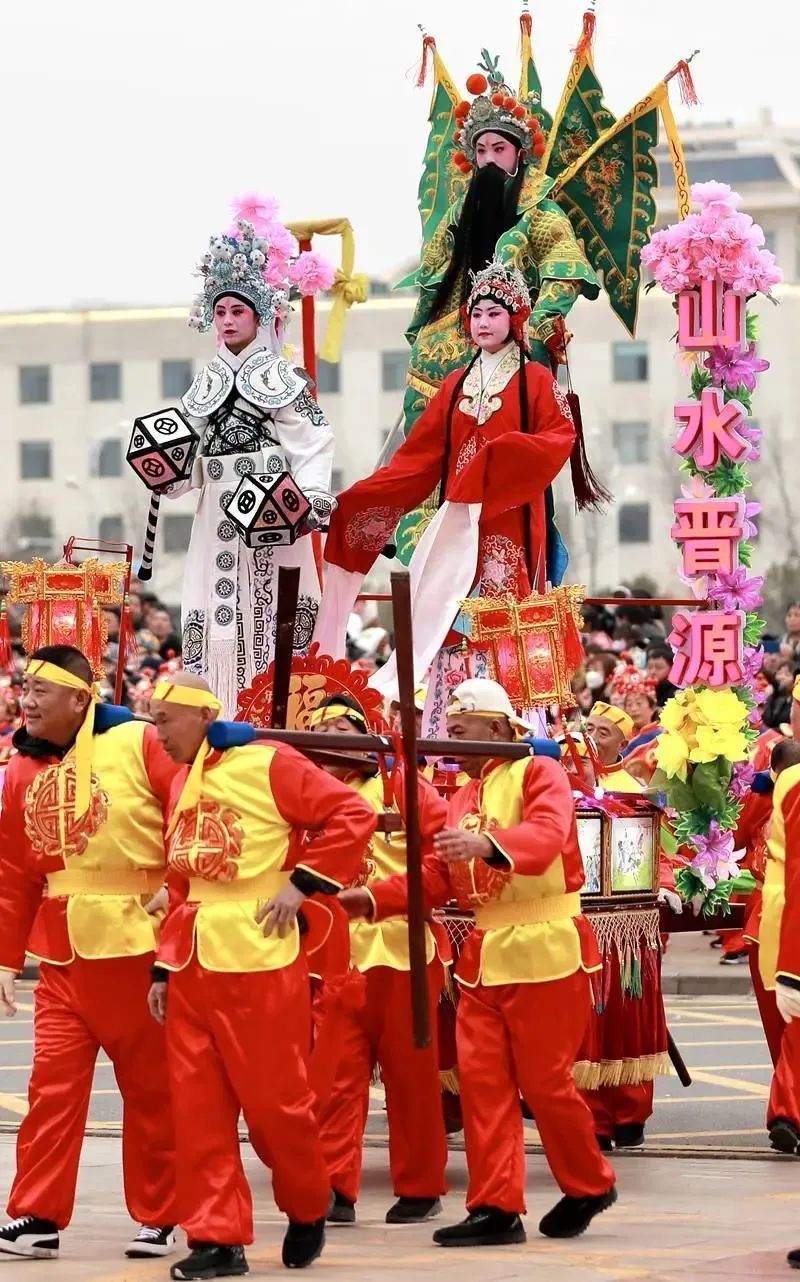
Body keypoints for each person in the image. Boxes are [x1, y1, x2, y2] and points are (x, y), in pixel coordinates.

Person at [340, 677, 617, 1246]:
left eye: (461, 726)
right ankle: (495, 1206)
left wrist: (489, 845)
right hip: (485, 955)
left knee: (544, 1083)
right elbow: (438, 877)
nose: (450, 736)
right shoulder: (464, 796)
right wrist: (370, 899)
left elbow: (547, 835)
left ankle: (589, 1182)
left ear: (496, 727)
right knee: (482, 1084)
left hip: (545, 944)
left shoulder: (540, 772)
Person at [148, 674, 376, 1279]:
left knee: (278, 1105)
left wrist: (302, 883)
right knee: (197, 1109)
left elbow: (351, 813)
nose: (157, 732)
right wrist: (163, 969)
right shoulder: (178, 780)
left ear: (201, 716)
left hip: (259, 956)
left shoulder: (269, 762)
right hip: (194, 960)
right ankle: (216, 1239)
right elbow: (182, 881)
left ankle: (307, 1204)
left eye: (165, 720)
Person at [315, 259, 578, 729]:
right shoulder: (456, 383)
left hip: (507, 521)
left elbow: (559, 437)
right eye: (476, 314)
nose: (483, 322)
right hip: (458, 518)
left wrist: (505, 456)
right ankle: (445, 730)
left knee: (500, 620)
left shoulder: (535, 379)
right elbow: (419, 455)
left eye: (495, 313)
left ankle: (516, 729)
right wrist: (364, 499)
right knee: (445, 618)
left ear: (515, 318)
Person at [0, 646, 178, 1261]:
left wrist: (178, 891)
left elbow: (192, 809)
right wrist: (4, 959)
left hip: (139, 946)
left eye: (40, 691)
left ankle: (160, 1214)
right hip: (61, 955)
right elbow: (16, 872)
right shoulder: (21, 768)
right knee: (51, 1087)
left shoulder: (140, 742)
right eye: (23, 688)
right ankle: (37, 1215)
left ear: (81, 698)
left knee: (152, 1089)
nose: (25, 700)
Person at [162, 196, 336, 715]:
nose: (227, 320)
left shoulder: (284, 377)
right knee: (217, 616)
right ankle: (219, 713)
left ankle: (276, 713)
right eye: (220, 311)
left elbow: (313, 442)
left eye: (238, 310)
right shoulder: (205, 381)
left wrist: (311, 501)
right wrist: (168, 473)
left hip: (272, 510)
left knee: (274, 613)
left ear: (260, 317)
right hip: (215, 509)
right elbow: (185, 453)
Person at [308, 694, 449, 1225]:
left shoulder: (405, 787)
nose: (331, 737)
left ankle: (420, 1184)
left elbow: (441, 867)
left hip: (403, 950)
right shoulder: (309, 796)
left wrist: (382, 897)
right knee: (333, 1077)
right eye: (322, 729)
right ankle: (331, 1186)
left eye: (342, 726)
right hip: (338, 957)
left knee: (410, 1078)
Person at [583, 703, 643, 793]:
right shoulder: (566, 772)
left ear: (622, 745)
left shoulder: (632, 791)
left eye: (603, 734)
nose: (591, 738)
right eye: (589, 729)